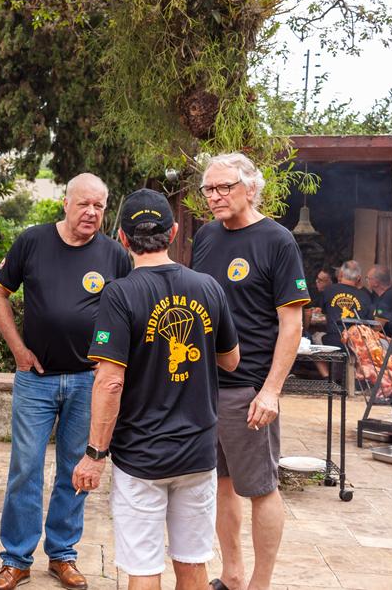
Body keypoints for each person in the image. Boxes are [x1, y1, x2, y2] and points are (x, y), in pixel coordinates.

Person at [74, 188, 240, 590]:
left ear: (122, 238)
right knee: (193, 564)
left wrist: (95, 455)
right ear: (174, 232)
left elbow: (110, 381)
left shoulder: (119, 293)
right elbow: (231, 360)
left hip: (141, 457)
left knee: (145, 568)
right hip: (197, 453)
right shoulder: (208, 287)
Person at [0, 173, 131, 590]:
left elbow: (129, 310)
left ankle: (63, 554)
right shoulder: (32, 241)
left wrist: (112, 364)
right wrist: (18, 349)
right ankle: (16, 559)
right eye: (84, 204)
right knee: (24, 469)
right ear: (65, 204)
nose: (91, 212)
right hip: (37, 380)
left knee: (75, 469)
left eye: (99, 206)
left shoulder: (114, 255)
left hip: (88, 381)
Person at [191, 153, 310, 590]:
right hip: (205, 388)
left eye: (225, 187)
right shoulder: (206, 236)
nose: (215, 196)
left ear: (251, 188)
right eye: (209, 189)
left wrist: (271, 390)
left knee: (260, 488)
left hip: (250, 390)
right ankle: (233, 574)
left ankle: (260, 583)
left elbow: (292, 324)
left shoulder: (277, 240)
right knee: (220, 484)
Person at [367, 264, 392, 337]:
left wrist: (364, 333)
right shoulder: (376, 294)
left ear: (376, 283)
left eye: (368, 278)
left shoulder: (390, 296)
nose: (367, 280)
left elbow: (378, 326)